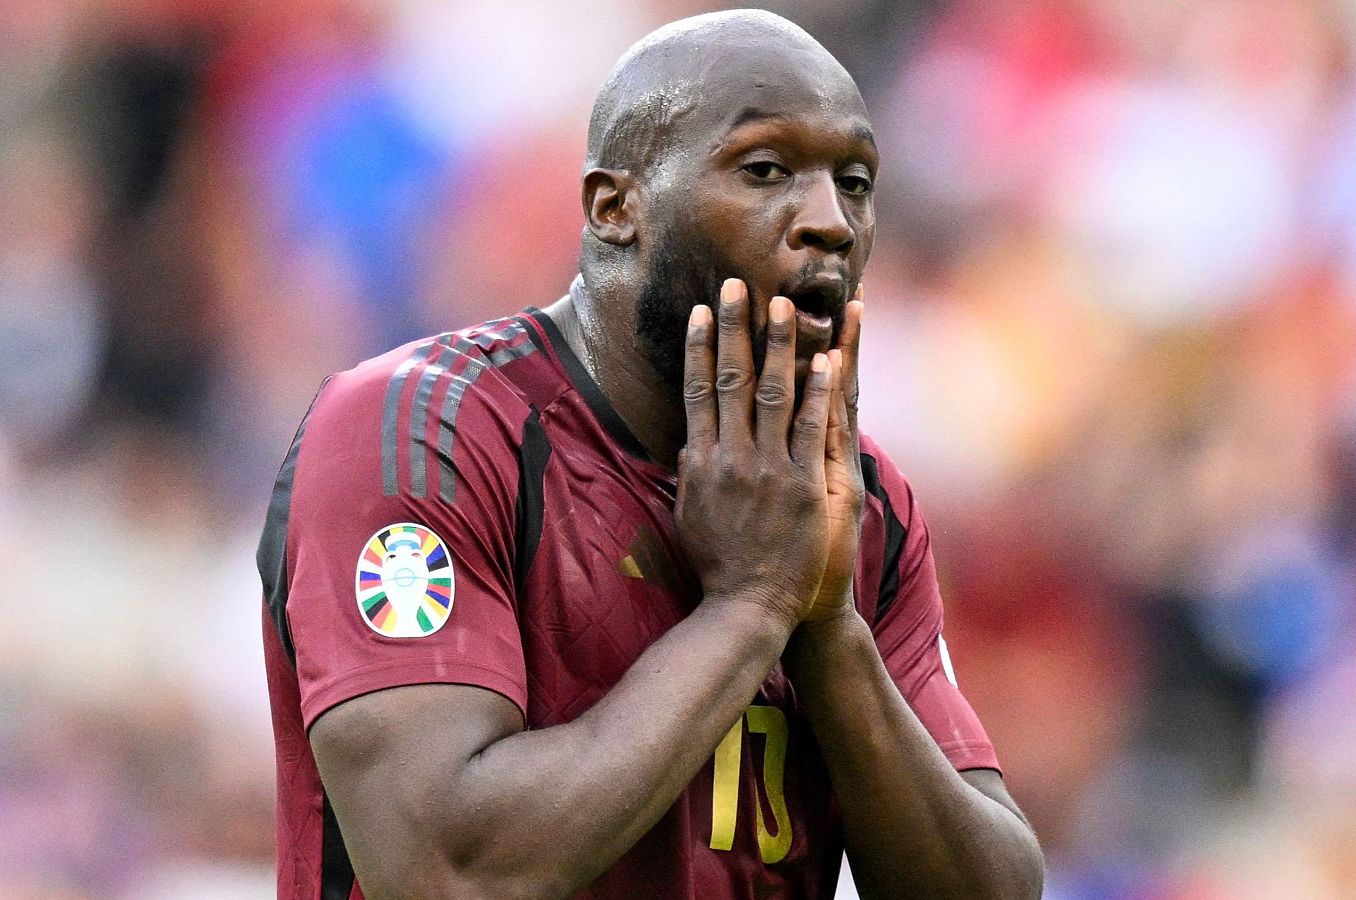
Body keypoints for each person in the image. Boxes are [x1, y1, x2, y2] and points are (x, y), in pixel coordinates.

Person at [258, 9, 1044, 899]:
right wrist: (753, 604)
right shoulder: (420, 432)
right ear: (615, 206)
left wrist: (828, 628)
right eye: (765, 170)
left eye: (855, 182)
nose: (830, 221)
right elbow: (449, 871)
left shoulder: (858, 499)